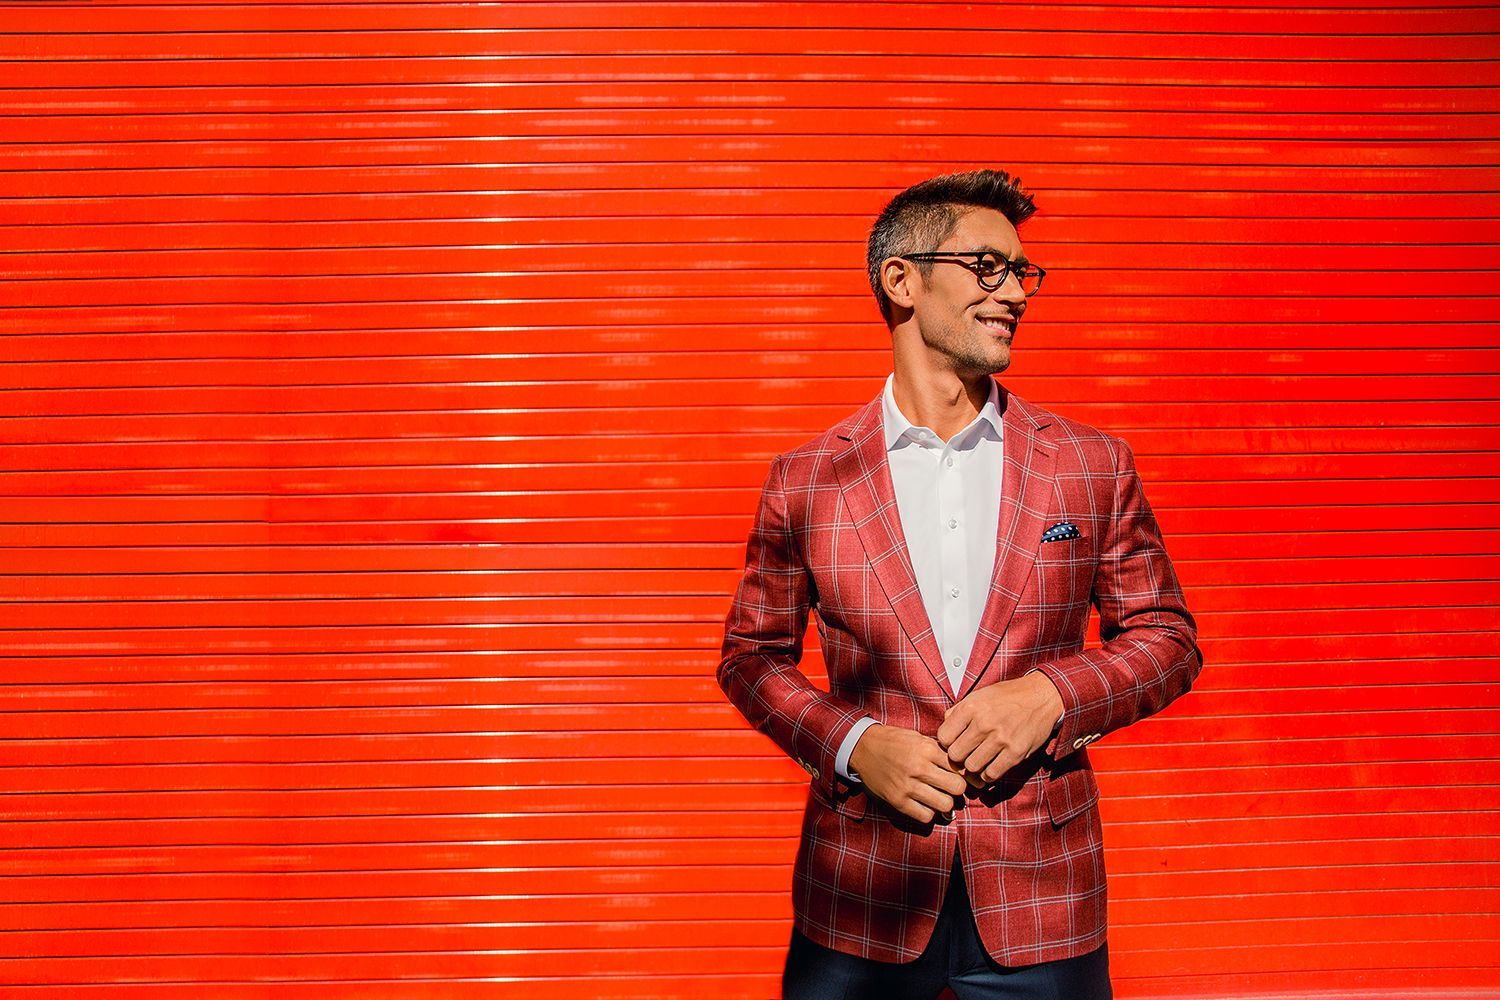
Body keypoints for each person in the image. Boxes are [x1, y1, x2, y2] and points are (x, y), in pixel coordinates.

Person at [716, 169, 1204, 999]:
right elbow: (750, 657)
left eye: (1022, 272)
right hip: (861, 898)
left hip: (1044, 901)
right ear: (901, 280)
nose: (1014, 290)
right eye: (988, 266)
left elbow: (1166, 637)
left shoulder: (1088, 465)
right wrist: (853, 745)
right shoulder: (807, 479)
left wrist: (1053, 694)